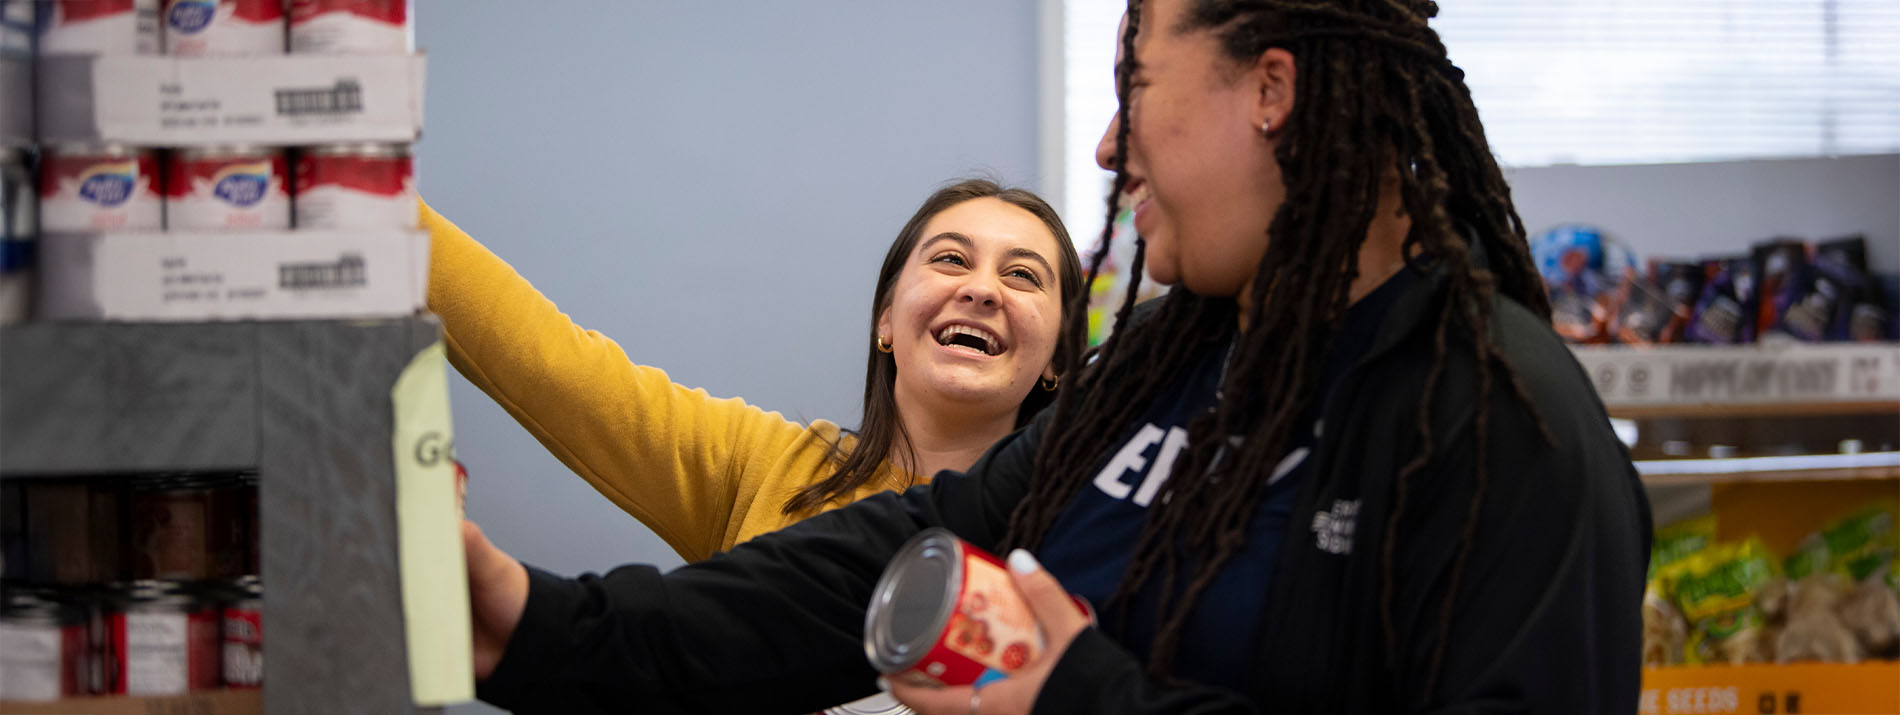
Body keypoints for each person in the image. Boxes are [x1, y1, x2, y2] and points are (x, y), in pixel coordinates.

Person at [459, 0, 1652, 712]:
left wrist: (1077, 699)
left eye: (1135, 85)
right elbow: (870, 567)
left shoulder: (1501, 422)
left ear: (1271, 91)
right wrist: (536, 624)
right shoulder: (1169, 374)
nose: (1103, 142)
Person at [423, 178, 1086, 561]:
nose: (981, 288)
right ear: (886, 318)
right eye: (949, 259)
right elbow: (547, 360)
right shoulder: (763, 469)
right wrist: (362, 198)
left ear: (1059, 354)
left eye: (1023, 274)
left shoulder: (1092, 528)